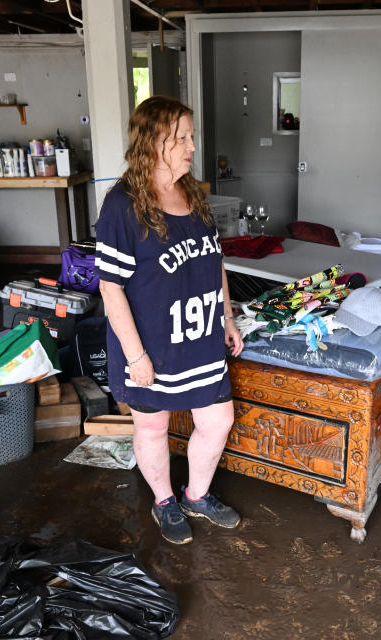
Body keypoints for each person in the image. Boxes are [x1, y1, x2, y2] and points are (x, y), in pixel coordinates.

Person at [96, 96, 244, 545]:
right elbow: (110, 287)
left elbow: (214, 260)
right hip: (151, 344)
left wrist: (227, 317)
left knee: (218, 420)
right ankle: (164, 501)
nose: (192, 146)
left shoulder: (193, 195)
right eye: (182, 137)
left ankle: (196, 496)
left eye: (190, 136)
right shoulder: (122, 206)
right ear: (154, 142)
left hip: (199, 337)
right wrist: (135, 356)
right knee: (153, 425)